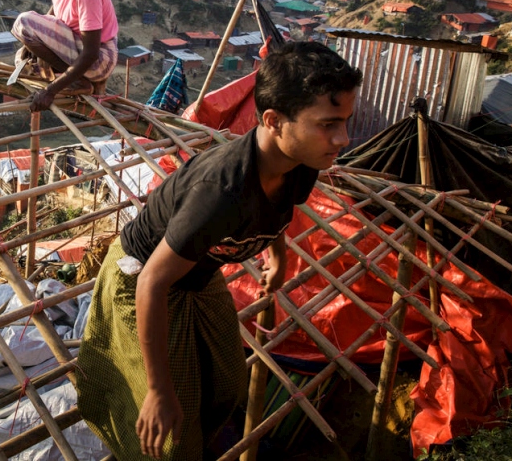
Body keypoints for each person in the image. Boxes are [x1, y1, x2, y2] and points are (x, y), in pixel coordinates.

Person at [77, 42, 363, 460]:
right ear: (274, 121)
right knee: (169, 426)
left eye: (345, 122)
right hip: (142, 277)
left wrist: (277, 257)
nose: (343, 138)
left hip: (199, 274)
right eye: (328, 124)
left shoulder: (300, 165)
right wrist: (158, 392)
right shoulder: (220, 193)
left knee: (224, 385)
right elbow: (152, 283)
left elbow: (277, 212)